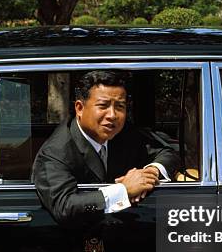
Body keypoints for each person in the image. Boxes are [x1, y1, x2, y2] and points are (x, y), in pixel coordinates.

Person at [32, 70, 179, 225]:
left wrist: (150, 173)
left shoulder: (123, 132)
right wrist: (124, 190)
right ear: (79, 108)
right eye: (103, 106)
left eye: (120, 106)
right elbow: (64, 205)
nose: (112, 115)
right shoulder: (55, 151)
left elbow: (168, 152)